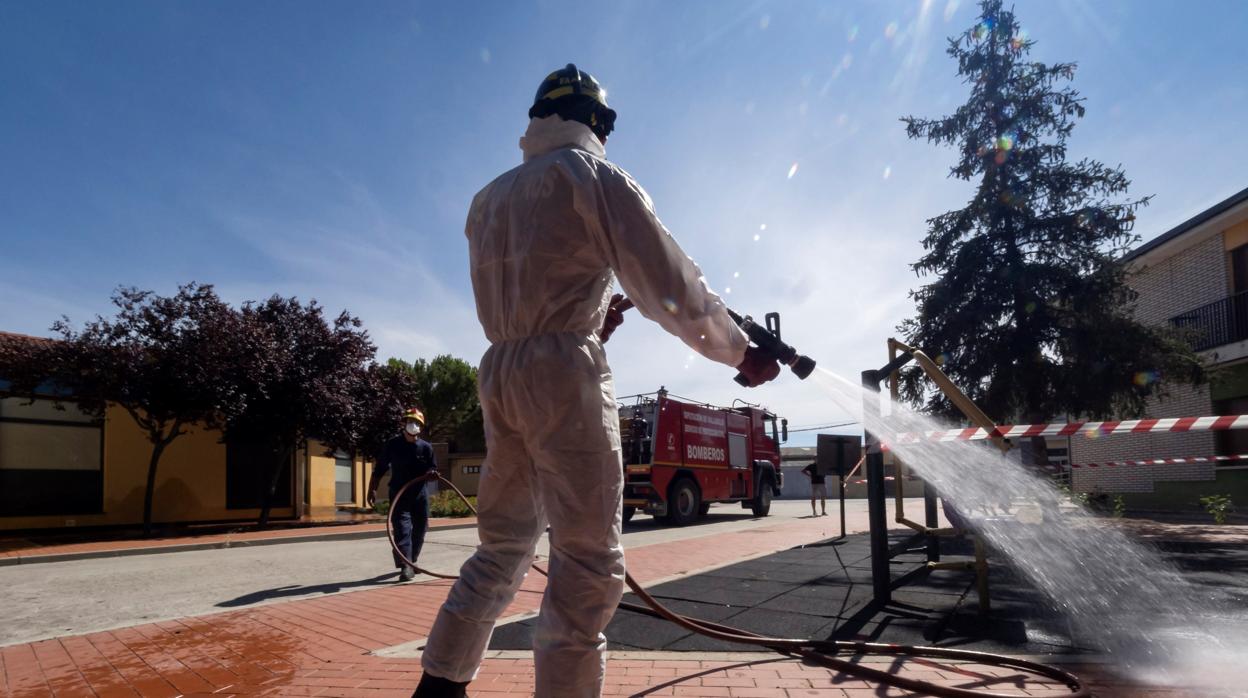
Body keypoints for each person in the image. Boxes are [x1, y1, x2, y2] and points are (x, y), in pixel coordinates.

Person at [413, 64, 781, 698]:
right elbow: (673, 288)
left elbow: (536, 290)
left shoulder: (488, 199)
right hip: (563, 375)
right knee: (586, 559)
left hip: (501, 370)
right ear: (596, 119)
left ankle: (438, 688)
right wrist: (740, 352)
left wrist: (579, 321)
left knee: (501, 548)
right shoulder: (593, 177)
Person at [367, 407, 437, 582]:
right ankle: (405, 566)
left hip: (419, 494)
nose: (412, 425)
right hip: (399, 493)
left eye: (416, 423)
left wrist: (432, 473)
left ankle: (412, 560)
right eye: (409, 421)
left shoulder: (426, 447)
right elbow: (380, 468)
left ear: (421, 427)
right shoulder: (393, 445)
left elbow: (433, 467)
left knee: (421, 529)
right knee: (402, 529)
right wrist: (372, 488)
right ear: (403, 424)